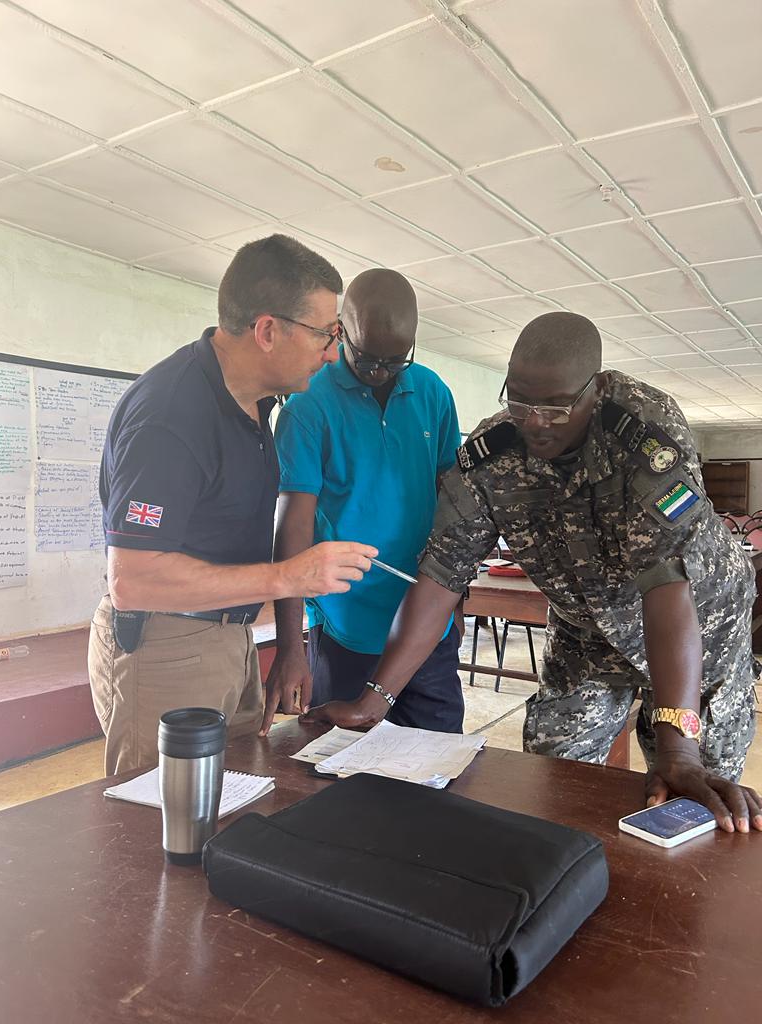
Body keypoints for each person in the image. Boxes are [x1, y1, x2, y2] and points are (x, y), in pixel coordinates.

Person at [303, 311, 762, 833]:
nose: (536, 420)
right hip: (586, 625)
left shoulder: (644, 432)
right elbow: (439, 578)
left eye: (557, 406)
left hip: (697, 624)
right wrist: (373, 700)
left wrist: (678, 748)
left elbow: (666, 587)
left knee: (696, 791)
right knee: (554, 765)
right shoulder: (489, 457)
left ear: (597, 388)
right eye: (519, 400)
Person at [88, 235, 377, 775]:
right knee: (163, 824)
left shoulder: (253, 403)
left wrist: (279, 641)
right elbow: (134, 580)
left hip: (228, 634)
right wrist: (288, 577)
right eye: (325, 334)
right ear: (268, 330)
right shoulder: (173, 415)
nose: (333, 353)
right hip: (165, 646)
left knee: (232, 808)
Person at [261, 268, 464, 735]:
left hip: (425, 622)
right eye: (368, 358)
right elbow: (292, 528)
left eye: (396, 361)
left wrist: (455, 593)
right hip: (346, 628)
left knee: (435, 765)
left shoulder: (432, 392)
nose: (380, 372)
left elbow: (454, 500)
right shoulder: (307, 407)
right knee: (343, 770)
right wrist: (291, 646)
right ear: (340, 333)